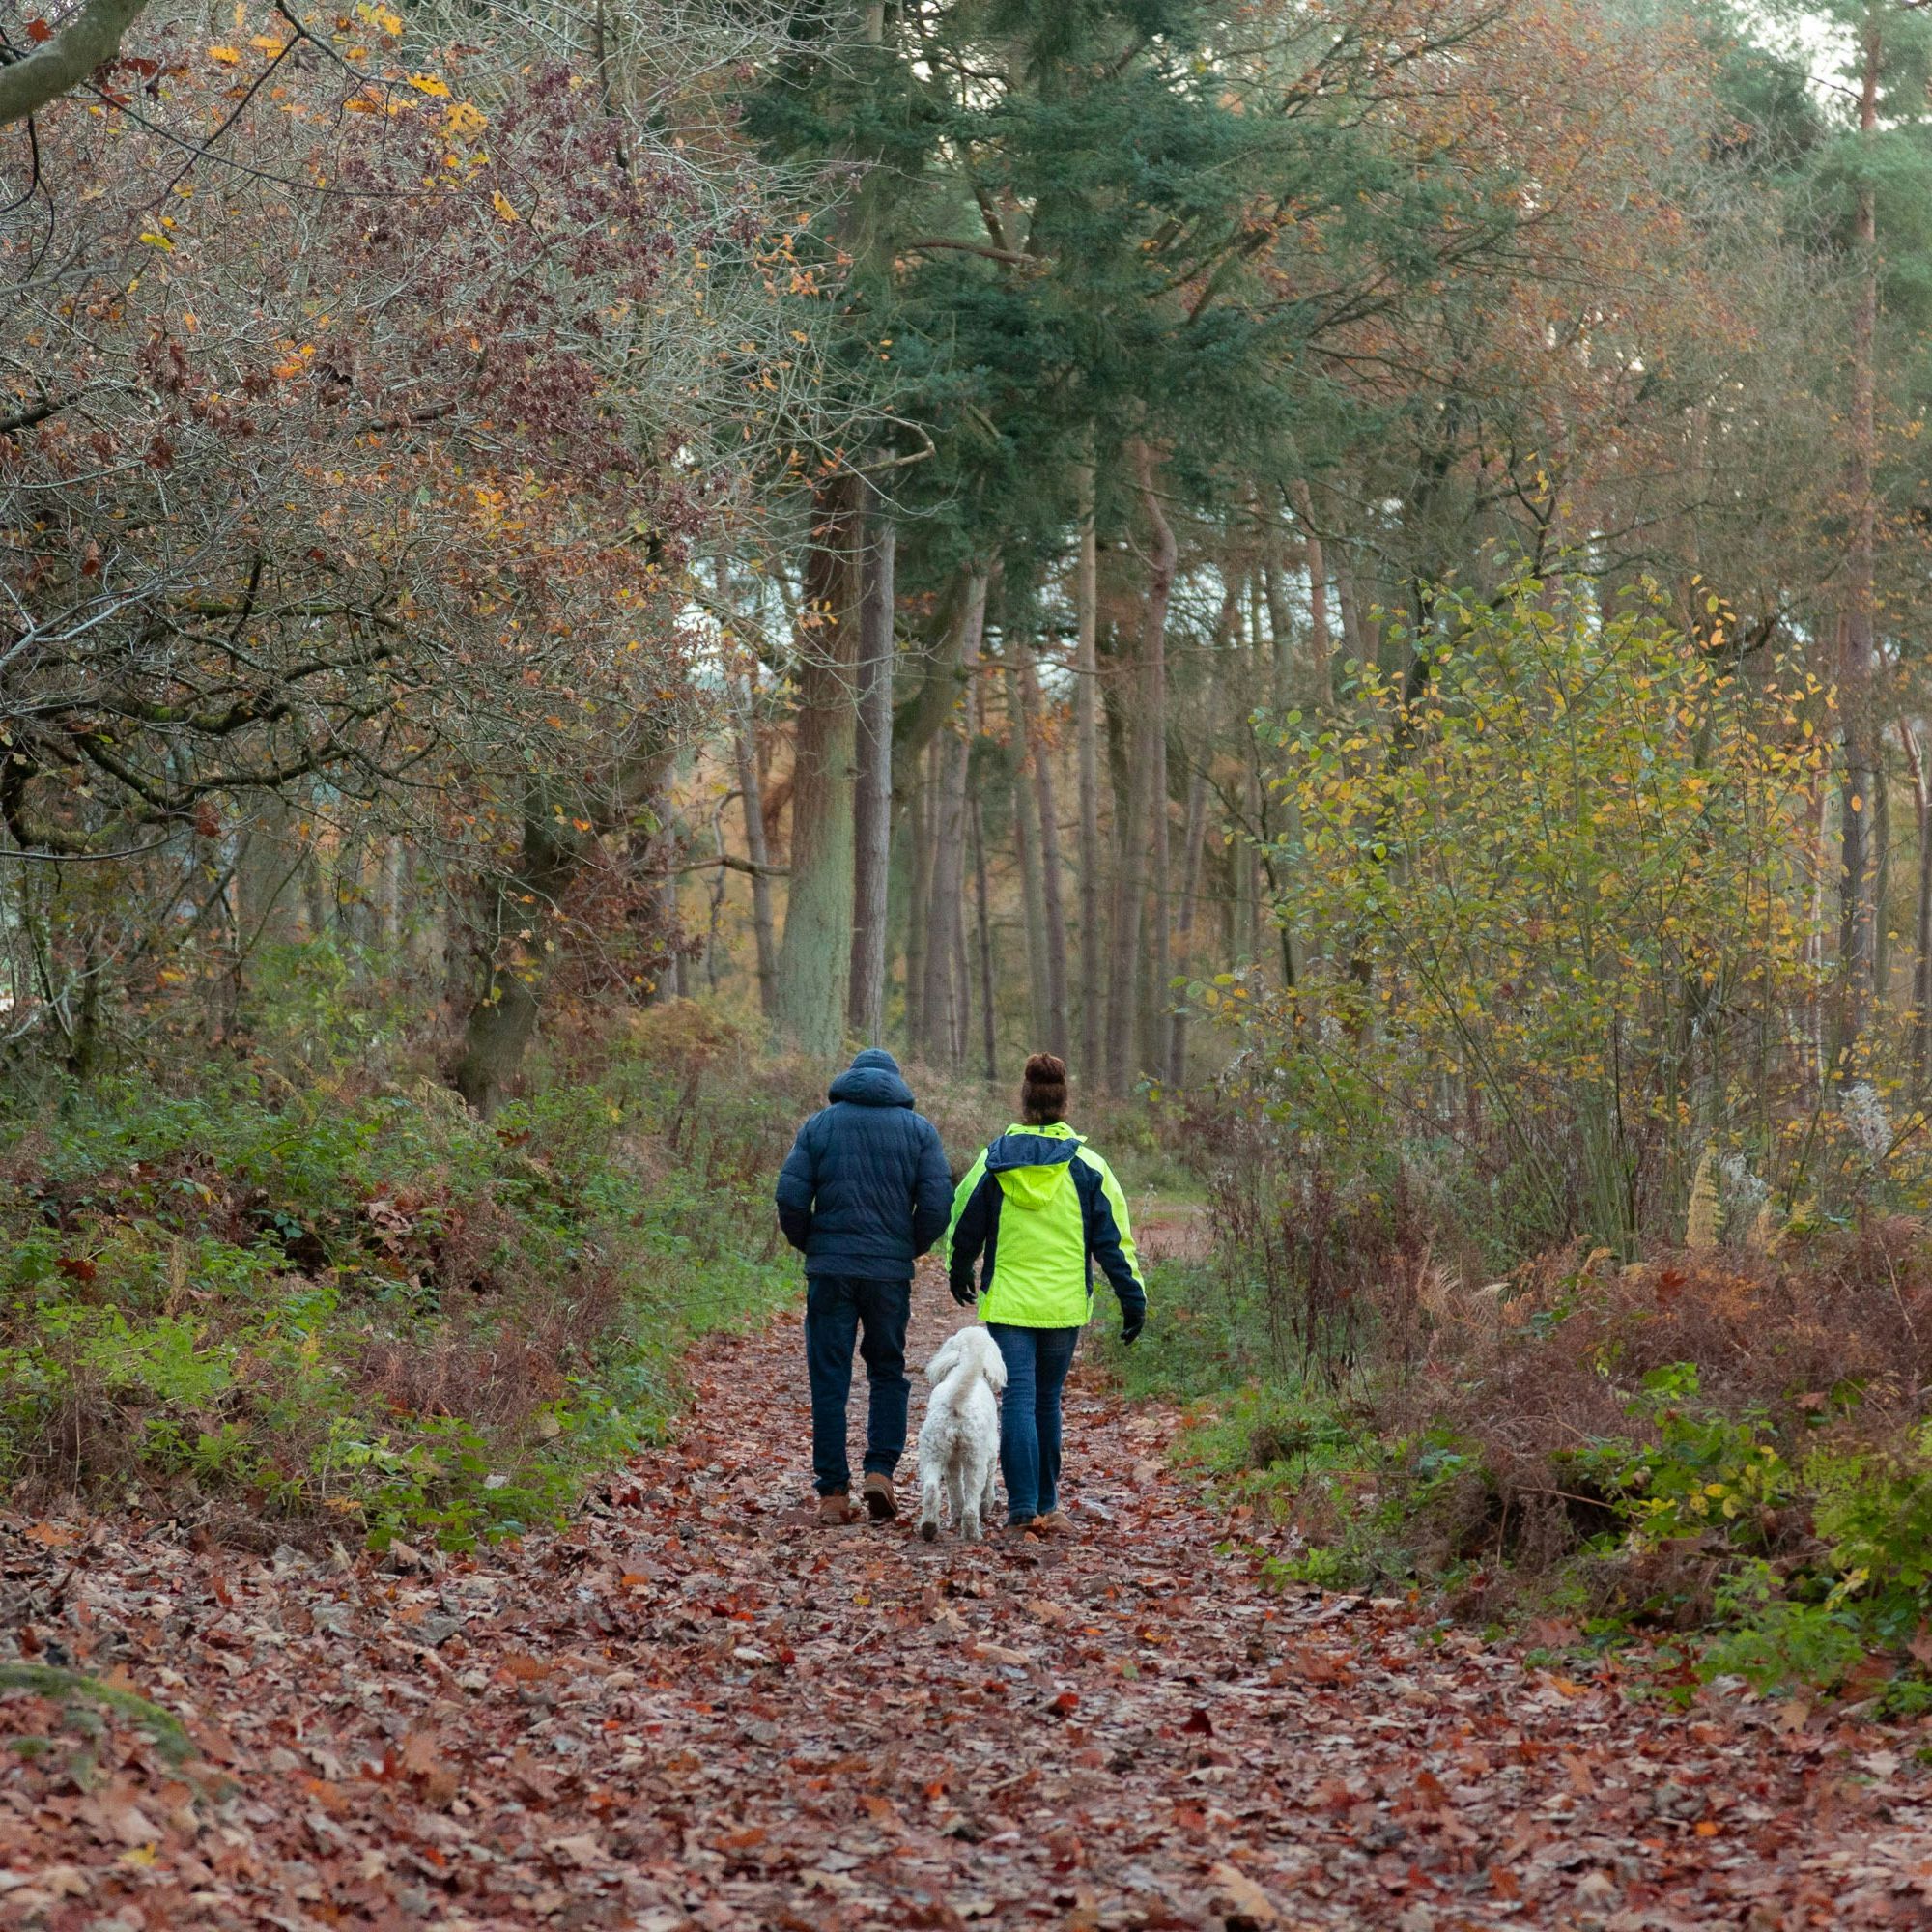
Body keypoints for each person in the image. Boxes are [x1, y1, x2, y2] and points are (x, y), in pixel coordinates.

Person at [944, 1052, 1146, 1535]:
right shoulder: (1088, 1166)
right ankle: (1048, 1507)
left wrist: (959, 1266)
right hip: (1063, 1304)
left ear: (1025, 1099)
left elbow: (964, 1219)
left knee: (1018, 1398)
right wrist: (1131, 1295)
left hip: (1010, 1303)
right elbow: (1113, 1240)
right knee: (1046, 1400)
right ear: (1063, 1100)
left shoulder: (994, 1160)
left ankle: (1022, 1509)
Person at [776, 1047, 953, 1526]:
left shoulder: (819, 1125)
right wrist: (904, 1248)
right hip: (888, 1274)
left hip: (830, 1270)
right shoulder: (919, 1132)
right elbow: (938, 1204)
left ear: (849, 1079)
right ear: (897, 1084)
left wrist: (811, 1244)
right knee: (887, 1370)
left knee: (829, 1377)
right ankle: (880, 1470)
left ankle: (833, 1490)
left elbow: (790, 1195)